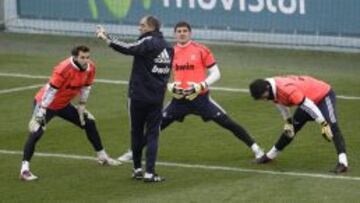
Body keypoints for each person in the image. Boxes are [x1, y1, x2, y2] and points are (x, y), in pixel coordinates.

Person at [117, 21, 264, 162]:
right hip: (179, 101)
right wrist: (170, 86)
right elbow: (159, 73)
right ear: (175, 34)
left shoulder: (201, 50)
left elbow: (216, 73)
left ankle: (256, 148)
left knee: (227, 123)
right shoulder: (169, 51)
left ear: (190, 33)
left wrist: (200, 86)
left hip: (201, 99)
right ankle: (133, 152)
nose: (182, 34)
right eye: (179, 31)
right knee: (155, 127)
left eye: (185, 31)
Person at [20, 45, 121, 181]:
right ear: (75, 57)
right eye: (82, 58)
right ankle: (24, 170)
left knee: (89, 122)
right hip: (46, 104)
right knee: (36, 132)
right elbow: (51, 91)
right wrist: (41, 111)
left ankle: (102, 157)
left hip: (63, 105)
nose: (86, 60)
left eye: (87, 57)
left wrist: (82, 105)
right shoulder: (63, 69)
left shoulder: (90, 67)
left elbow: (86, 87)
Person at [96, 16, 173, 182]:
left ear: (151, 27)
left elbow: (128, 48)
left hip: (138, 96)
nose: (139, 28)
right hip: (156, 98)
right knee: (152, 135)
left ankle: (137, 169)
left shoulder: (148, 42)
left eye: (142, 25)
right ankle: (150, 173)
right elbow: (166, 74)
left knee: (136, 132)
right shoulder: (168, 47)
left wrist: (107, 38)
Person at [249, 75, 348, 173]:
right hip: (307, 99)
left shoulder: (286, 90)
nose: (263, 99)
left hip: (322, 96)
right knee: (290, 130)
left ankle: (343, 162)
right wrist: (288, 121)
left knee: (332, 125)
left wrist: (323, 123)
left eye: (262, 96)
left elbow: (309, 105)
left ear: (267, 88)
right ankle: (269, 156)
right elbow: (280, 103)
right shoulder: (270, 88)